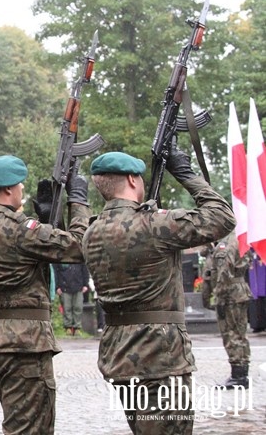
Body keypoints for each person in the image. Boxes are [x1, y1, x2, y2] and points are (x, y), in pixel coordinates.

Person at [82, 148, 235, 434]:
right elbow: (222, 217)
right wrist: (187, 175)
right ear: (131, 179)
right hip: (159, 357)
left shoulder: (92, 232)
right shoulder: (154, 225)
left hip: (119, 355)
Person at [0, 155, 90, 435]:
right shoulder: (19, 229)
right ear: (8, 189)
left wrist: (47, 222)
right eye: (19, 185)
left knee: (21, 421)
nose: (22, 190)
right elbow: (79, 246)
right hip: (24, 342)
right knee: (30, 428)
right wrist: (78, 201)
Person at [200, 233, 252, 388]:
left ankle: (239, 376)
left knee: (233, 334)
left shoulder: (226, 244)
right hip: (235, 292)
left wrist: (219, 296)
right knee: (237, 333)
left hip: (230, 294)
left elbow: (224, 272)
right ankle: (240, 374)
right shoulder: (229, 240)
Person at [53, 262, 89, 336]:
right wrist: (57, 287)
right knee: (67, 308)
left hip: (79, 286)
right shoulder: (61, 257)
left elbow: (85, 270)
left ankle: (77, 328)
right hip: (64, 287)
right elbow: (56, 272)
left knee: (78, 307)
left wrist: (85, 284)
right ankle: (68, 327)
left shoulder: (79, 256)